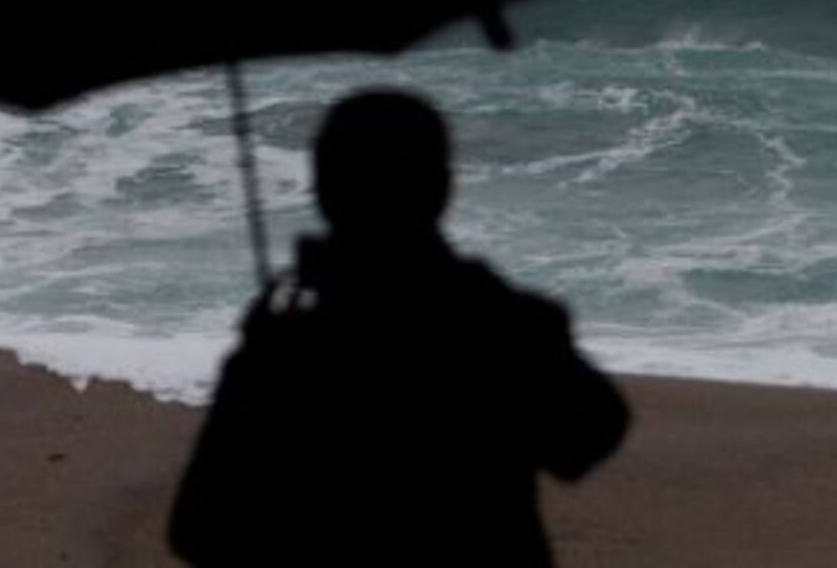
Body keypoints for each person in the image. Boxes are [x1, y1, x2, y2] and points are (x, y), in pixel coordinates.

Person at [168, 88, 630, 567]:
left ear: (324, 191)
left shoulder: (285, 350)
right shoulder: (499, 327)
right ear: (445, 187)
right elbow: (591, 436)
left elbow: (197, 531)